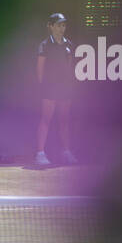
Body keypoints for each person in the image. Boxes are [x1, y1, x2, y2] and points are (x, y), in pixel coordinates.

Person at [34, 13, 79, 166]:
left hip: (65, 88)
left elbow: (69, 67)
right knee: (45, 119)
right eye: (59, 25)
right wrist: (44, 88)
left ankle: (66, 152)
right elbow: (40, 70)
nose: (62, 28)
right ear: (51, 26)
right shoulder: (44, 45)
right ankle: (40, 153)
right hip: (49, 89)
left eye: (64, 25)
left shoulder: (69, 45)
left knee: (64, 120)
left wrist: (68, 85)